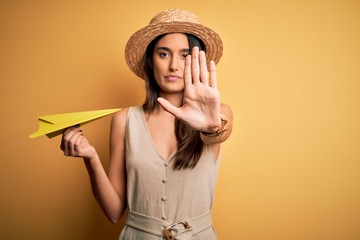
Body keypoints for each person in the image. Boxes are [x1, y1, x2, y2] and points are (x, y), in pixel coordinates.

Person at [60, 9, 233, 240]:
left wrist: (211, 128)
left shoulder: (219, 113)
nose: (174, 66)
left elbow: (218, 132)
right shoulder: (124, 120)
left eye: (184, 55)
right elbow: (113, 212)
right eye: (163, 54)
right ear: (150, 61)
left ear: (197, 62)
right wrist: (90, 157)